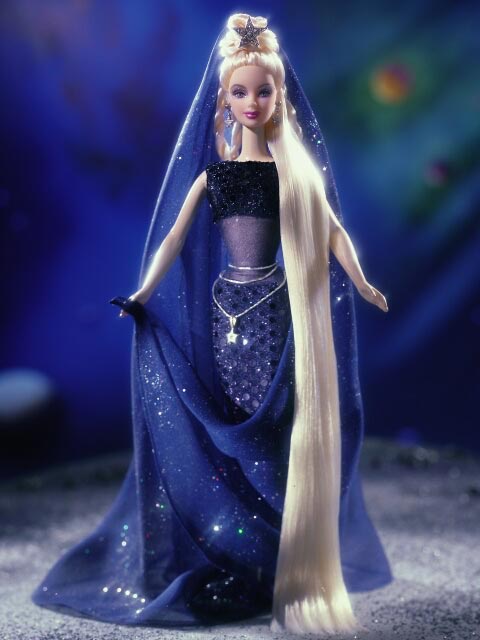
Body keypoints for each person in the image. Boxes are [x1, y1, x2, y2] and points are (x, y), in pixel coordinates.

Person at [31, 13, 392, 634]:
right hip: (229, 312)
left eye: (263, 90)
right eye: (240, 92)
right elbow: (173, 238)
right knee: (233, 418)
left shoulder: (292, 174)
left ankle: (284, 551)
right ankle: (246, 550)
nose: (252, 102)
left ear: (278, 96)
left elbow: (332, 231)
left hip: (274, 313)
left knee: (276, 424)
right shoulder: (213, 176)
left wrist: (361, 282)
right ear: (224, 99)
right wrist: (143, 292)